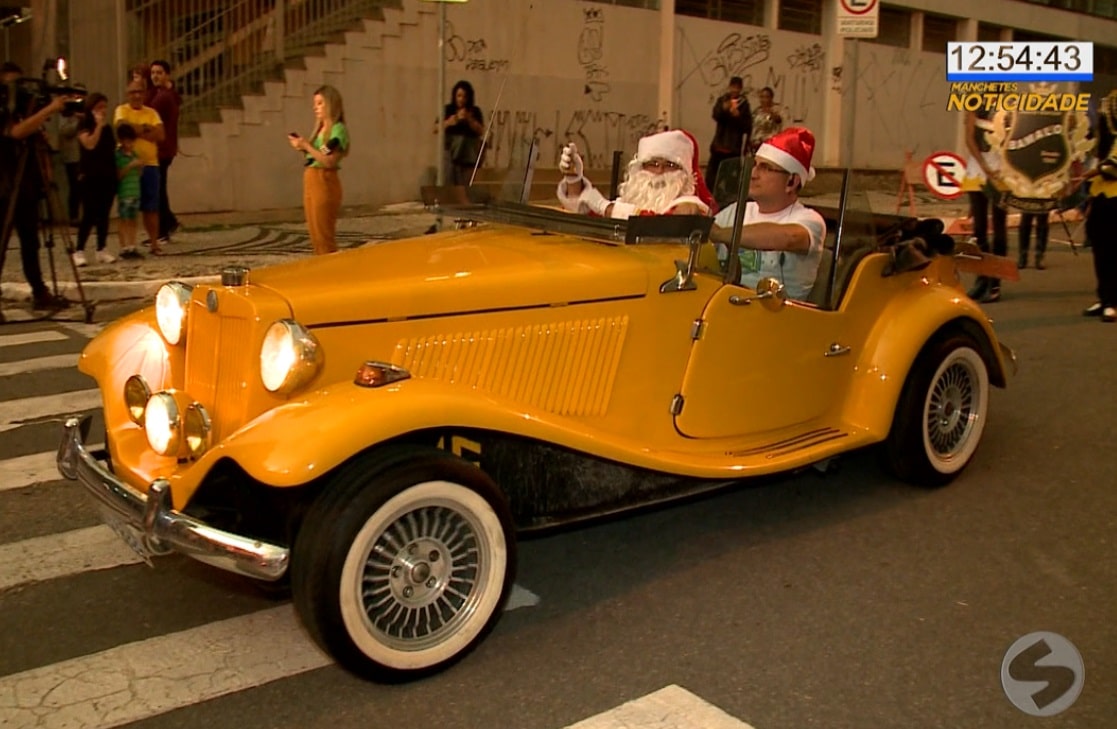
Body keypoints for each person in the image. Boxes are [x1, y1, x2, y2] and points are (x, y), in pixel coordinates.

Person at [709, 126, 826, 301]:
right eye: (754, 165)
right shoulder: (736, 210)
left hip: (782, 318)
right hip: (728, 306)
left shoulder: (809, 219)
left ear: (791, 181)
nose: (753, 174)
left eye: (765, 168)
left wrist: (719, 234)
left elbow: (789, 238)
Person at [0, 61, 69, 310]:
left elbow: (30, 134)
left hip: (26, 186)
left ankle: (39, 291)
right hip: (4, 187)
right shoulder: (3, 110)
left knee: (31, 242)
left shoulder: (24, 111)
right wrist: (50, 109)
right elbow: (15, 133)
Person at [556, 128, 715, 218]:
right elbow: (591, 217)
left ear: (684, 173)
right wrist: (573, 179)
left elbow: (662, 227)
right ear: (640, 168)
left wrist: (606, 207)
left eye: (670, 165)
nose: (659, 171)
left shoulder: (690, 206)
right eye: (653, 164)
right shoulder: (634, 199)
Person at [288, 84, 349, 255]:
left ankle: (331, 273)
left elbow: (328, 160)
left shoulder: (338, 130)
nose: (315, 107)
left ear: (331, 104)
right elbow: (316, 155)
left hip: (324, 179)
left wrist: (306, 145)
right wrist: (301, 147)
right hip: (311, 177)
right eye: (315, 103)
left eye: (320, 103)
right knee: (315, 232)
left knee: (324, 234)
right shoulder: (320, 129)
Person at [113, 79, 164, 255]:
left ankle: (154, 242)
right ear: (128, 94)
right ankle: (127, 244)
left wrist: (135, 130)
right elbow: (122, 128)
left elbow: (160, 134)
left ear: (144, 94)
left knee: (151, 206)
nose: (136, 95)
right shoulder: (121, 110)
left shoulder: (152, 113)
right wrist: (146, 129)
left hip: (150, 164)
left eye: (140, 92)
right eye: (133, 92)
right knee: (127, 205)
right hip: (128, 164)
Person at [963, 108, 1008, 303]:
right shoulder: (974, 104)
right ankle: (981, 278)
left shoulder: (1009, 107)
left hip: (1002, 171)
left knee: (999, 228)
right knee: (979, 229)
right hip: (978, 169)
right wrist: (984, 165)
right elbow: (969, 139)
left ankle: (995, 283)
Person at [1081, 89, 1117, 323]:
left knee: (1113, 250)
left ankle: (1113, 302)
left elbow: (1112, 167)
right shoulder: (1104, 139)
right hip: (1101, 193)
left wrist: (1088, 174)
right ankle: (1104, 297)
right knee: (1099, 248)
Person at [73, 93, 118, 266]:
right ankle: (79, 250)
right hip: (89, 176)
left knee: (104, 214)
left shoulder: (107, 128)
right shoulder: (85, 124)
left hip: (107, 175)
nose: (103, 111)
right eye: (99, 107)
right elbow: (89, 144)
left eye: (105, 107)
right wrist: (98, 125)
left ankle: (101, 248)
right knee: (89, 214)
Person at [148, 60, 181, 245]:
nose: (155, 76)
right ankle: (168, 223)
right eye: (153, 73)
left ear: (167, 74)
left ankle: (163, 229)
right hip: (163, 149)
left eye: (159, 72)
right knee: (160, 189)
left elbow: (148, 109)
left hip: (162, 149)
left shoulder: (164, 97)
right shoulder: (163, 93)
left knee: (158, 190)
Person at [706, 76, 752, 194]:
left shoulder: (744, 104)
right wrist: (723, 109)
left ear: (741, 89)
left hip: (733, 147)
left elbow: (747, 126)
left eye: (737, 88)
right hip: (719, 145)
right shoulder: (722, 100)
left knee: (731, 180)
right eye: (733, 87)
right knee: (711, 177)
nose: (735, 90)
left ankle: (727, 200)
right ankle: (711, 197)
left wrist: (738, 116)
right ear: (729, 87)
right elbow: (716, 115)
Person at [442, 80, 485, 186]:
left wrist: (469, 119)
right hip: (451, 155)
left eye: (464, 96)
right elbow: (437, 128)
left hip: (468, 157)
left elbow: (481, 131)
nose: (461, 99)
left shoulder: (475, 111)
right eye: (459, 96)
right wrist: (455, 119)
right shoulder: (448, 109)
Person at [115, 123, 145, 259]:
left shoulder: (134, 154)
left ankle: (132, 245)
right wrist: (130, 165)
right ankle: (124, 246)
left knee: (133, 219)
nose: (130, 144)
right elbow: (118, 175)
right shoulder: (118, 156)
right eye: (127, 141)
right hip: (124, 192)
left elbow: (139, 173)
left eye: (131, 141)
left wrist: (139, 166)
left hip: (135, 191)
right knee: (124, 220)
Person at [750, 86, 783, 153]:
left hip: (770, 145)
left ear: (771, 98)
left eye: (766, 97)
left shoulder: (776, 110)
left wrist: (771, 113)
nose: (764, 99)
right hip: (756, 145)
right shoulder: (757, 111)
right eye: (762, 97)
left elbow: (778, 120)